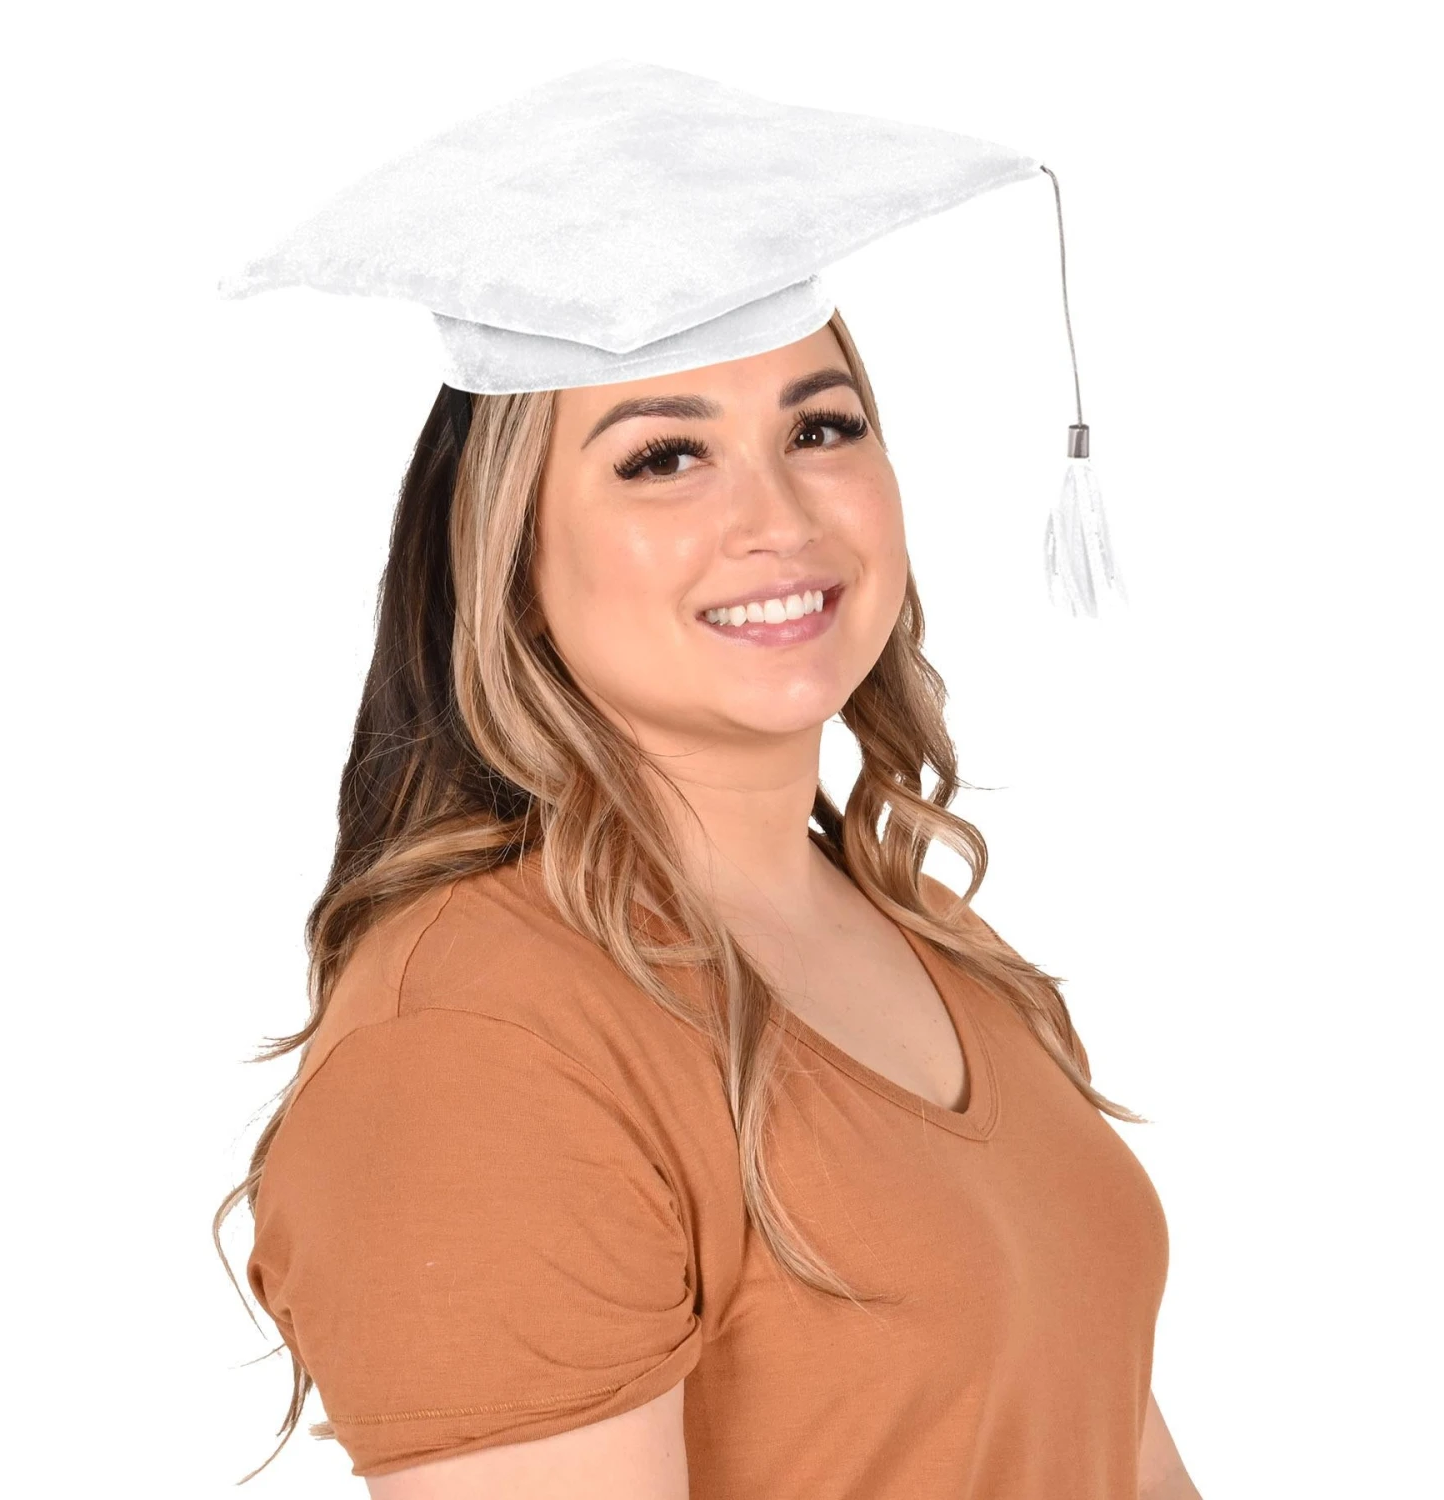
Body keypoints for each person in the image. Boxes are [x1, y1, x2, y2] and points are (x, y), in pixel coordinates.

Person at [213, 59, 1198, 1500]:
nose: (777, 518)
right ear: (510, 551)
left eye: (821, 428)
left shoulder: (934, 943)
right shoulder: (483, 1042)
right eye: (665, 457)